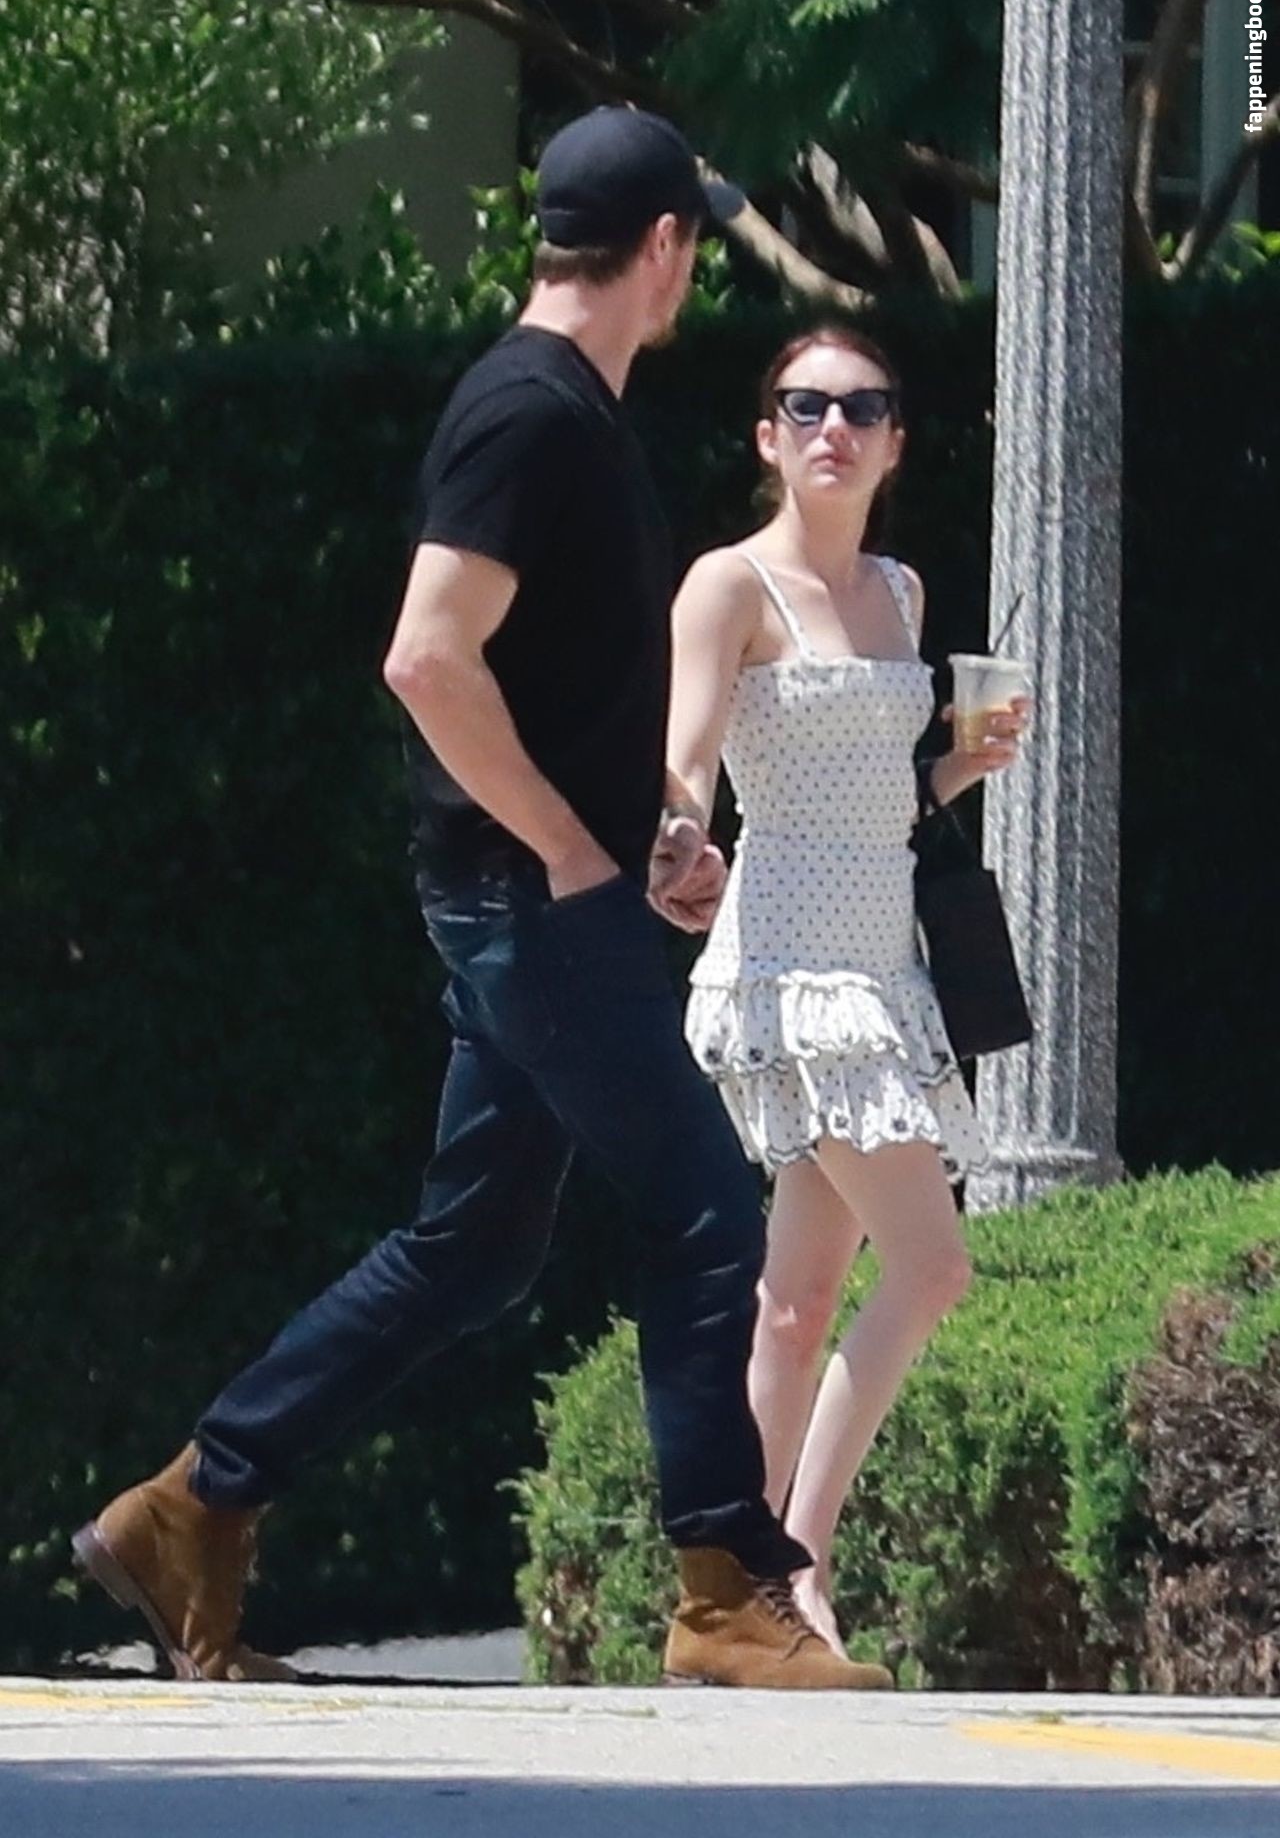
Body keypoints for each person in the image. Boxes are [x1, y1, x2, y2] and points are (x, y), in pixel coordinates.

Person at [71, 114, 892, 1690]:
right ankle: (725, 1596)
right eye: (695, 243)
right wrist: (571, 853)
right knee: (707, 1212)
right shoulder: (530, 413)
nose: (695, 271)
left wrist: (649, 829)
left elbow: (551, 681)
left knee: (475, 1248)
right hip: (529, 905)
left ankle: (191, 1504)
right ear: (662, 248)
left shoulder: (568, 413)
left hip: (541, 891)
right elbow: (427, 658)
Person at [665, 325, 1030, 1654]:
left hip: (883, 968)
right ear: (768, 436)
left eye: (863, 407)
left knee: (798, 1302)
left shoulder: (902, 592)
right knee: (932, 1266)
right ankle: (794, 1571)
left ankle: (727, 1601)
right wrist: (675, 836)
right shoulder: (729, 584)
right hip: (787, 973)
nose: (835, 427)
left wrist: (960, 768)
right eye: (807, 405)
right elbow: (687, 754)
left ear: (894, 445)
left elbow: (882, 795)